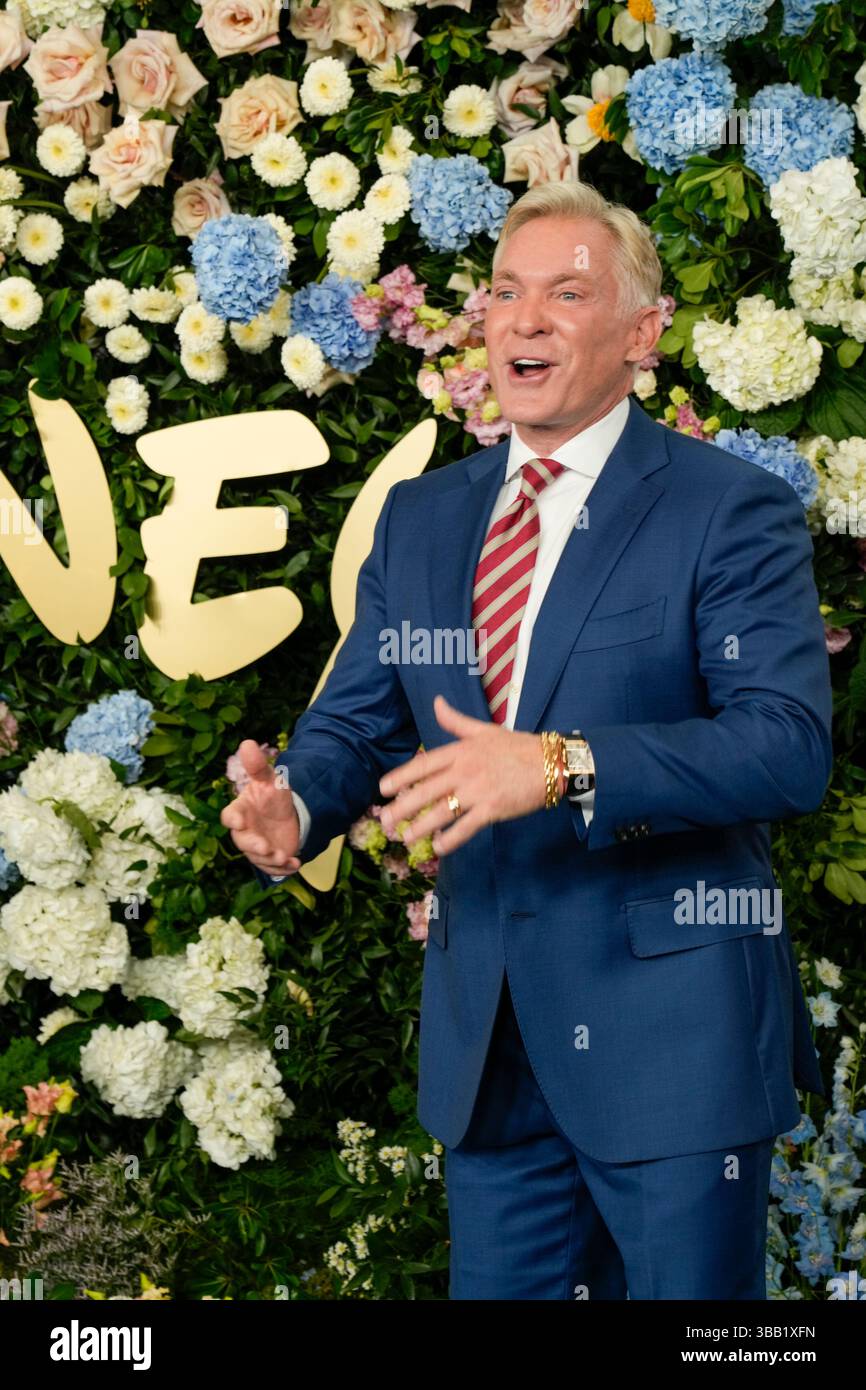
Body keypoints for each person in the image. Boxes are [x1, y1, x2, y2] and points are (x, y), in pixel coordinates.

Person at [221, 181, 832, 1300]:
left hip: (673, 1055)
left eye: (565, 291)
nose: (523, 318)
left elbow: (785, 745)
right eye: (504, 291)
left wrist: (560, 764)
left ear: (641, 335)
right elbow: (359, 719)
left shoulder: (724, 507)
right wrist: (295, 809)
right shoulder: (422, 515)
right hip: (491, 1055)